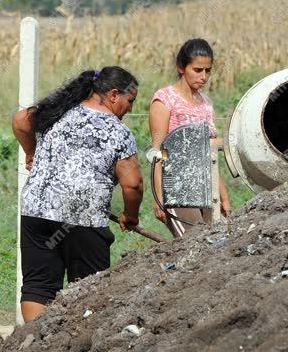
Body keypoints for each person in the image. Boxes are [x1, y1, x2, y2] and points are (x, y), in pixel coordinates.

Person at [12, 66, 143, 322]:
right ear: (114, 94)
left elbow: (20, 120)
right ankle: (79, 350)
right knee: (89, 289)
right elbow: (133, 185)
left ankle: (33, 347)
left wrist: (31, 152)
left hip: (37, 211)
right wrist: (131, 215)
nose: (130, 108)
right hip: (83, 217)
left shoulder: (57, 112)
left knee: (39, 286)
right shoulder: (118, 131)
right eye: (130, 101)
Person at [148, 38, 230, 237]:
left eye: (207, 71)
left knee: (217, 242)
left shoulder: (206, 103)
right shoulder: (165, 99)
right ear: (181, 67)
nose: (203, 76)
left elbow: (209, 156)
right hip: (177, 188)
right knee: (193, 245)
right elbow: (159, 151)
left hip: (207, 189)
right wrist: (159, 197)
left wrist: (224, 197)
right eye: (197, 70)